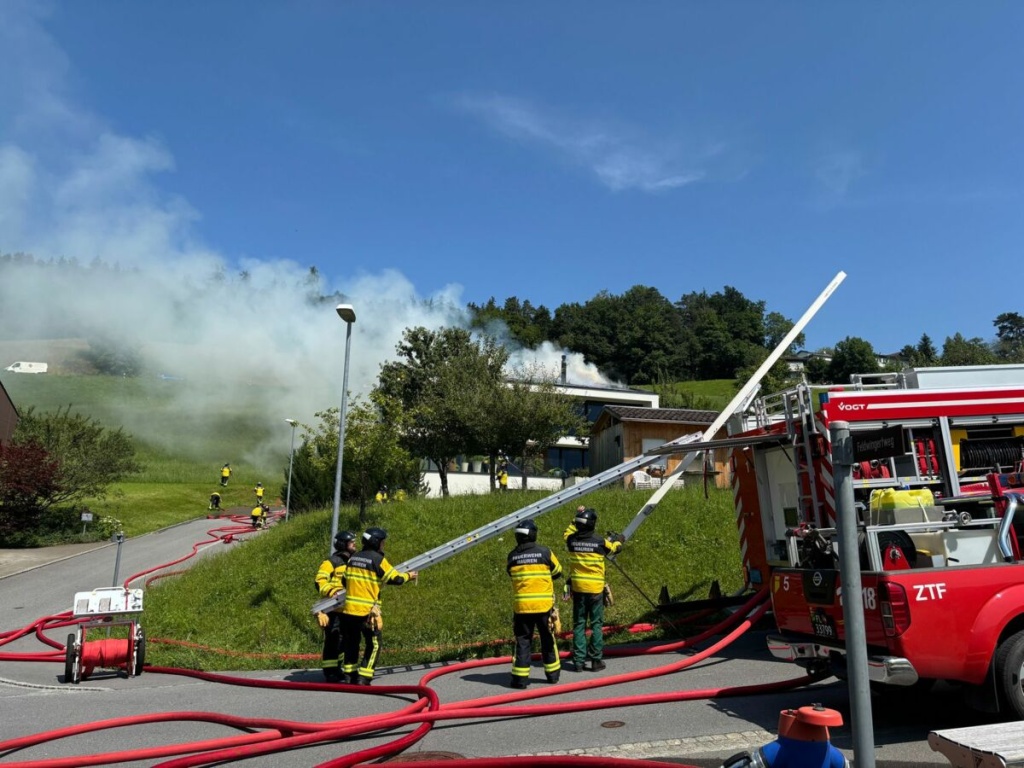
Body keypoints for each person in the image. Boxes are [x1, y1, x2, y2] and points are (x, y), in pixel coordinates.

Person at [339, 527, 418, 685]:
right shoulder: (378, 560)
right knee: (374, 644)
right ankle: (364, 676)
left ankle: (349, 675)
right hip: (367, 612)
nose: (383, 545)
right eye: (382, 542)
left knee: (352, 643)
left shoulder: (353, 559)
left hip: (348, 611)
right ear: (376, 543)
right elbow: (396, 579)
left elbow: (344, 581)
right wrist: (409, 575)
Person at [563, 507, 623, 672]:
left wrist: (575, 517)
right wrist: (619, 540)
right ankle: (596, 660)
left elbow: (567, 533)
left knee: (579, 624)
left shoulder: (571, 541)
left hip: (579, 590)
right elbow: (615, 548)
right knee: (596, 624)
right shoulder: (599, 541)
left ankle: (579, 662)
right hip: (596, 590)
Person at [506, 518, 562, 689]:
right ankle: (552, 676)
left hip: (522, 609)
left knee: (523, 641)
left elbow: (510, 573)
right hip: (544, 607)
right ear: (533, 535)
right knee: (547, 639)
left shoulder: (512, 556)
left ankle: (520, 680)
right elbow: (558, 572)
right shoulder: (545, 553)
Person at [314, 530, 358, 682]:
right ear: (343, 544)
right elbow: (319, 581)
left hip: (349, 609)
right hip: (333, 609)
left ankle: (339, 669)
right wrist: (331, 591)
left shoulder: (355, 561)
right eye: (352, 542)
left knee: (347, 641)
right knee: (333, 640)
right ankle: (330, 671)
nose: (355, 545)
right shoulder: (331, 562)